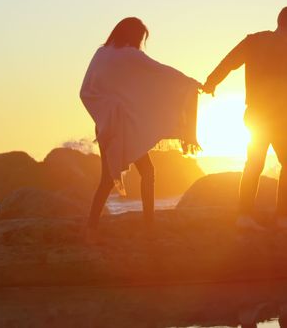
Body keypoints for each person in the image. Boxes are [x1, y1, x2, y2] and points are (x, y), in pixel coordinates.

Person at [79, 17, 202, 242]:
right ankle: (148, 226)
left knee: (108, 178)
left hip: (106, 126)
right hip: (127, 126)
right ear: (134, 36)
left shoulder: (101, 54)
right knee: (145, 173)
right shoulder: (131, 55)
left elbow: (85, 91)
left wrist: (105, 112)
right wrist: (190, 83)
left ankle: (91, 230)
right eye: (141, 38)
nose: (140, 43)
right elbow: (161, 73)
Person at [203, 6, 287, 230]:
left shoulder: (254, 40)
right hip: (279, 115)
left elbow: (229, 62)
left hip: (255, 113)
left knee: (254, 162)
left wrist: (212, 81)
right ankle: (284, 217)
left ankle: (244, 216)